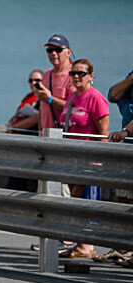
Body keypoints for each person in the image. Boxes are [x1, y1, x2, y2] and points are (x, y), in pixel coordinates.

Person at [56, 58, 109, 260]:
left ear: (91, 76)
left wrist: (98, 160)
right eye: (73, 73)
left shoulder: (95, 98)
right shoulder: (72, 97)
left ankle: (87, 245)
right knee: (74, 202)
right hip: (72, 158)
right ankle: (80, 242)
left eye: (81, 73)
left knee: (85, 202)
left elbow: (103, 132)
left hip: (88, 160)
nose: (76, 77)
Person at [103, 68, 133, 265]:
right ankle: (124, 246)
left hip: (128, 137)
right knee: (123, 197)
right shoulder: (130, 78)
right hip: (128, 148)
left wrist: (125, 131)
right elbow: (113, 95)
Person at [32, 34, 74, 133]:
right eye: (49, 50)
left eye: (58, 50)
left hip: (65, 135)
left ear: (68, 52)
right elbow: (43, 109)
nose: (53, 53)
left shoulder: (75, 76)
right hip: (45, 134)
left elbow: (76, 109)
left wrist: (49, 99)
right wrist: (40, 131)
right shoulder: (47, 74)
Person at [7, 69, 43, 135]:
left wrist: (13, 128)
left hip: (31, 134)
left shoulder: (43, 98)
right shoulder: (28, 97)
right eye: (31, 81)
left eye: (37, 80)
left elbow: (37, 118)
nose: (33, 83)